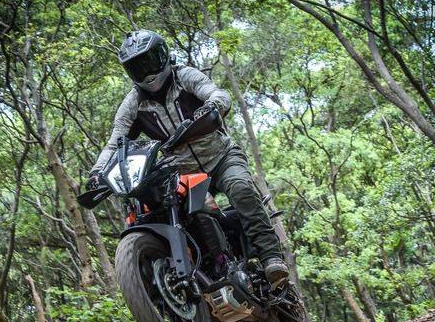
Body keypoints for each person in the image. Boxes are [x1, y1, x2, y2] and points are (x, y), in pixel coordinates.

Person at [87, 30, 289, 287]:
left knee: (241, 188)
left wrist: (213, 106)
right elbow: (115, 143)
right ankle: (206, 270)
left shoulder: (184, 76)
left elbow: (217, 94)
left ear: (162, 55)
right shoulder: (133, 104)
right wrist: (98, 172)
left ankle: (271, 258)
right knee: (173, 214)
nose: (146, 71)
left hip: (221, 156)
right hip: (184, 172)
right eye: (137, 67)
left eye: (149, 61)